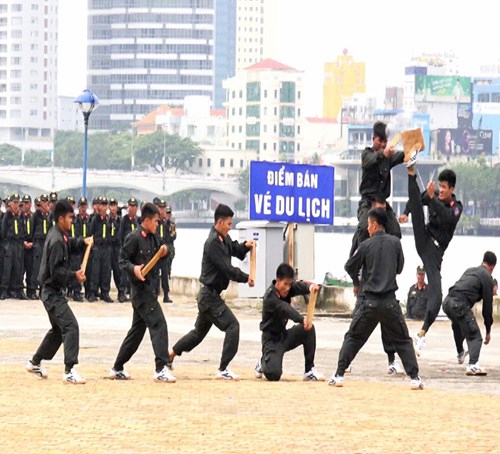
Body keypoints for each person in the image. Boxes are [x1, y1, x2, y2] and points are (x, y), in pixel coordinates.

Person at [328, 208, 423, 390]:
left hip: (369, 302)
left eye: (369, 225)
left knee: (354, 337)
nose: (368, 229)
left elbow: (349, 266)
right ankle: (415, 378)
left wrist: (358, 281)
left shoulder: (365, 245)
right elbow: (400, 268)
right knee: (403, 340)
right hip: (389, 302)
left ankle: (339, 374)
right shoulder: (395, 243)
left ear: (374, 224)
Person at [169, 204, 255, 380]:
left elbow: (236, 250)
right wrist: (247, 278)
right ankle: (223, 369)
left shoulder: (224, 239)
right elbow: (228, 270)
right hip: (209, 296)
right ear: (220, 222)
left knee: (197, 334)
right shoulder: (213, 243)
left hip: (210, 296)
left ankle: (169, 356)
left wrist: (246, 245)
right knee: (233, 326)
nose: (230, 227)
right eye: (229, 224)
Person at [401, 152, 463, 353]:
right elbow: (418, 200)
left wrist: (432, 198)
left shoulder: (456, 207)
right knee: (418, 207)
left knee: (437, 294)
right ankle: (411, 172)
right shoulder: (433, 194)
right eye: (440, 187)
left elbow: (446, 218)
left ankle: (422, 333)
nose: (441, 190)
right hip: (424, 239)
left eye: (444, 188)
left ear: (452, 189)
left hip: (435, 253)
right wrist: (406, 212)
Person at [26, 200, 93, 384]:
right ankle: (69, 370)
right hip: (52, 293)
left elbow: (70, 244)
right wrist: (75, 275)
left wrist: (83, 241)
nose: (72, 221)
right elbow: (56, 273)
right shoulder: (56, 240)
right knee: (71, 326)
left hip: (50, 292)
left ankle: (35, 362)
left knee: (58, 330)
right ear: (61, 218)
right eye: (70, 218)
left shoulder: (60, 235)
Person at [110, 202, 175, 383]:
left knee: (136, 332)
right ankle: (161, 368)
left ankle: (117, 367)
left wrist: (165, 251)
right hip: (140, 292)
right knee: (159, 324)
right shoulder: (134, 237)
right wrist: (134, 269)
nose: (157, 224)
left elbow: (163, 251)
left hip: (150, 290)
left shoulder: (153, 237)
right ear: (146, 220)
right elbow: (122, 261)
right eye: (155, 221)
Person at [255, 262, 325, 382]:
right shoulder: (270, 297)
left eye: (289, 284)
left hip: (284, 336)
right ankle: (263, 362)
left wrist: (310, 288)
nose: (287, 288)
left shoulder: (288, 288)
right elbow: (285, 309)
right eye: (285, 284)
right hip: (271, 341)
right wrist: (302, 319)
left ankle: (309, 371)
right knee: (274, 375)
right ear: (278, 280)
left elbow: (299, 286)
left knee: (309, 329)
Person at [349, 121, 403, 257]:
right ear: (374, 139)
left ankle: (388, 261)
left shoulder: (388, 158)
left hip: (382, 203)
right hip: (368, 201)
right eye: (380, 141)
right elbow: (369, 161)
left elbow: (402, 156)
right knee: (363, 228)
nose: (383, 144)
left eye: (385, 141)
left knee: (395, 232)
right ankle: (360, 260)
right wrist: (382, 154)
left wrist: (413, 148)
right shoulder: (367, 154)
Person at [442, 251, 496, 375]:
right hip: (459, 304)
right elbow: (487, 308)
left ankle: (460, 353)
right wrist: (488, 330)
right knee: (475, 336)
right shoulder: (487, 276)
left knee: (458, 324)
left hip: (447, 302)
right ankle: (472, 365)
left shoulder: (470, 270)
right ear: (492, 267)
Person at [0, 193, 27, 300]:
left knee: (18, 268)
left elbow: (23, 230)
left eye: (17, 202)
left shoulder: (21, 216)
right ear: (10, 204)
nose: (16, 205)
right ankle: (4, 290)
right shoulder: (7, 215)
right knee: (7, 268)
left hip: (18, 244)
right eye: (14, 202)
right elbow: (3, 232)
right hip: (9, 244)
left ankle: (18, 290)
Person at [88, 196, 113, 303]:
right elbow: (90, 233)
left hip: (106, 248)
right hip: (97, 247)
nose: (103, 207)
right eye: (101, 205)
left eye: (104, 205)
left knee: (106, 271)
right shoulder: (95, 219)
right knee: (95, 271)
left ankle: (105, 292)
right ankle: (92, 292)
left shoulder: (108, 220)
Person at [117, 197, 139, 302]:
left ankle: (131, 292)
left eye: (134, 206)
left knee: (133, 273)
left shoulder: (137, 220)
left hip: (135, 252)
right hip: (126, 250)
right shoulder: (124, 220)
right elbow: (120, 236)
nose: (132, 208)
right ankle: (121, 293)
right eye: (130, 206)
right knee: (124, 274)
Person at [22, 194, 36, 299]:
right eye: (24, 203)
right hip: (21, 245)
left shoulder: (33, 216)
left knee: (31, 270)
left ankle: (31, 291)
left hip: (32, 245)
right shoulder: (19, 216)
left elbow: (37, 231)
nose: (26, 205)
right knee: (20, 269)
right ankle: (19, 290)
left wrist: (33, 243)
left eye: (28, 203)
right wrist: (23, 242)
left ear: (31, 204)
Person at [108, 197, 122, 299]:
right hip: (108, 246)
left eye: (114, 205)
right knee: (107, 271)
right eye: (111, 205)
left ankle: (121, 292)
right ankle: (105, 292)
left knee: (118, 271)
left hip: (117, 247)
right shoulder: (106, 219)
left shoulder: (120, 220)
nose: (113, 208)